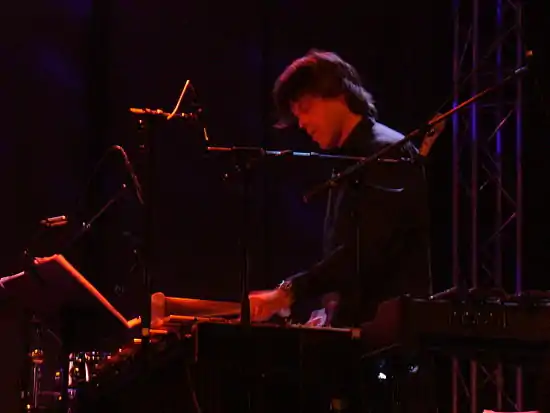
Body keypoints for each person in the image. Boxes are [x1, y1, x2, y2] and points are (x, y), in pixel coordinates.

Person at [248, 50, 435, 413]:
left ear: (338, 93)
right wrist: (326, 314)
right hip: (366, 350)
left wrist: (288, 292)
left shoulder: (386, 153)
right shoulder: (350, 160)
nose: (301, 122)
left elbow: (365, 252)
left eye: (305, 108)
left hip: (391, 357)